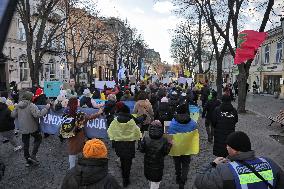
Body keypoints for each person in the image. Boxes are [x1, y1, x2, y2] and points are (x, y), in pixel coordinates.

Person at [195, 131, 284, 189]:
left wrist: (213, 164)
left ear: (234, 150)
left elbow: (199, 181)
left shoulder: (224, 171)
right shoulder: (270, 163)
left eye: (228, 146)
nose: (226, 147)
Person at [60, 97, 103, 169]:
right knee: (82, 149)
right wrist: (98, 113)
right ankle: (82, 166)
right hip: (79, 135)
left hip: (69, 134)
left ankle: (72, 169)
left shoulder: (65, 112)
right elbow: (89, 117)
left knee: (72, 151)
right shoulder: (79, 113)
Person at [11, 91, 50, 167]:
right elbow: (38, 115)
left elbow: (12, 115)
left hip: (23, 128)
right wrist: (46, 108)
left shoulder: (18, 105)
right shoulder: (31, 105)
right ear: (30, 98)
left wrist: (15, 108)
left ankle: (28, 160)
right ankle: (33, 155)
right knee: (38, 139)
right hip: (33, 128)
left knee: (26, 144)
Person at [107, 103, 141, 187]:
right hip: (129, 144)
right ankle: (126, 178)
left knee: (122, 159)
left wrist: (114, 138)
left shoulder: (115, 120)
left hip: (119, 143)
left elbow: (109, 131)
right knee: (128, 162)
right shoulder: (131, 121)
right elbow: (138, 133)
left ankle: (123, 175)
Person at [167, 103, 198, 189]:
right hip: (187, 148)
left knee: (177, 163)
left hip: (176, 148)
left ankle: (178, 176)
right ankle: (183, 180)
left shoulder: (173, 123)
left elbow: (169, 134)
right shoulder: (192, 123)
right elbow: (195, 132)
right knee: (185, 164)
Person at [139, 120, 172, 189]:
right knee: (156, 182)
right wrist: (170, 144)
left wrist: (141, 142)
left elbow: (141, 150)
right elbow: (165, 152)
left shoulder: (146, 137)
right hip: (158, 164)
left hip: (148, 163)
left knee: (150, 178)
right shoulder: (164, 139)